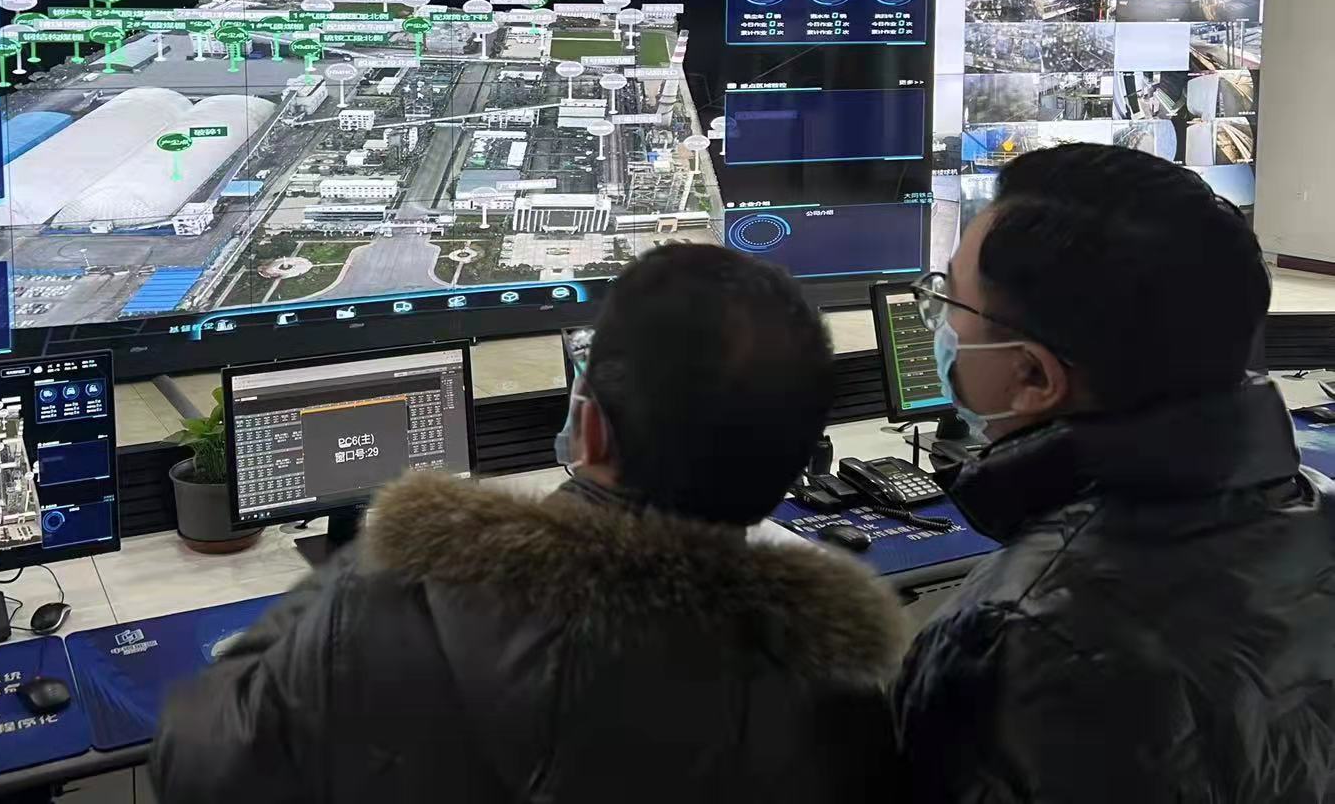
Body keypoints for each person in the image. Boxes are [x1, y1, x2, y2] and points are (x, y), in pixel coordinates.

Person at [154, 243, 907, 803]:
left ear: (591, 430)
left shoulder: (395, 603)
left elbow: (195, 760)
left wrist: (346, 584)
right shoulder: (843, 691)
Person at [895, 143, 1335, 802]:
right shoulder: (1317, 512)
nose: (939, 321)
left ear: (1031, 374)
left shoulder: (1018, 638)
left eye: (951, 300)